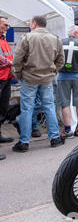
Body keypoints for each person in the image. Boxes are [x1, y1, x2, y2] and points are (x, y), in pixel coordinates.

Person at [12, 15, 65, 152]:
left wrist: (18, 75)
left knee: (27, 109)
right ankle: (54, 138)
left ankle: (24, 142)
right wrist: (53, 72)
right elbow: (61, 60)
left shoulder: (27, 38)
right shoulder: (55, 39)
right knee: (49, 107)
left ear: (34, 24)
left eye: (30, 23)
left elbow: (17, 60)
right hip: (47, 78)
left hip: (29, 78)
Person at [56, 25, 78, 138]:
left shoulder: (60, 42)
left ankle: (68, 130)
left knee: (65, 103)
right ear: (75, 33)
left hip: (63, 76)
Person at [0, 16, 14, 144]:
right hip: (1, 78)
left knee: (3, 108)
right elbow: (4, 59)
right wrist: (11, 62)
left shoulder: (3, 40)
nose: (7, 27)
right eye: (5, 25)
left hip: (6, 78)